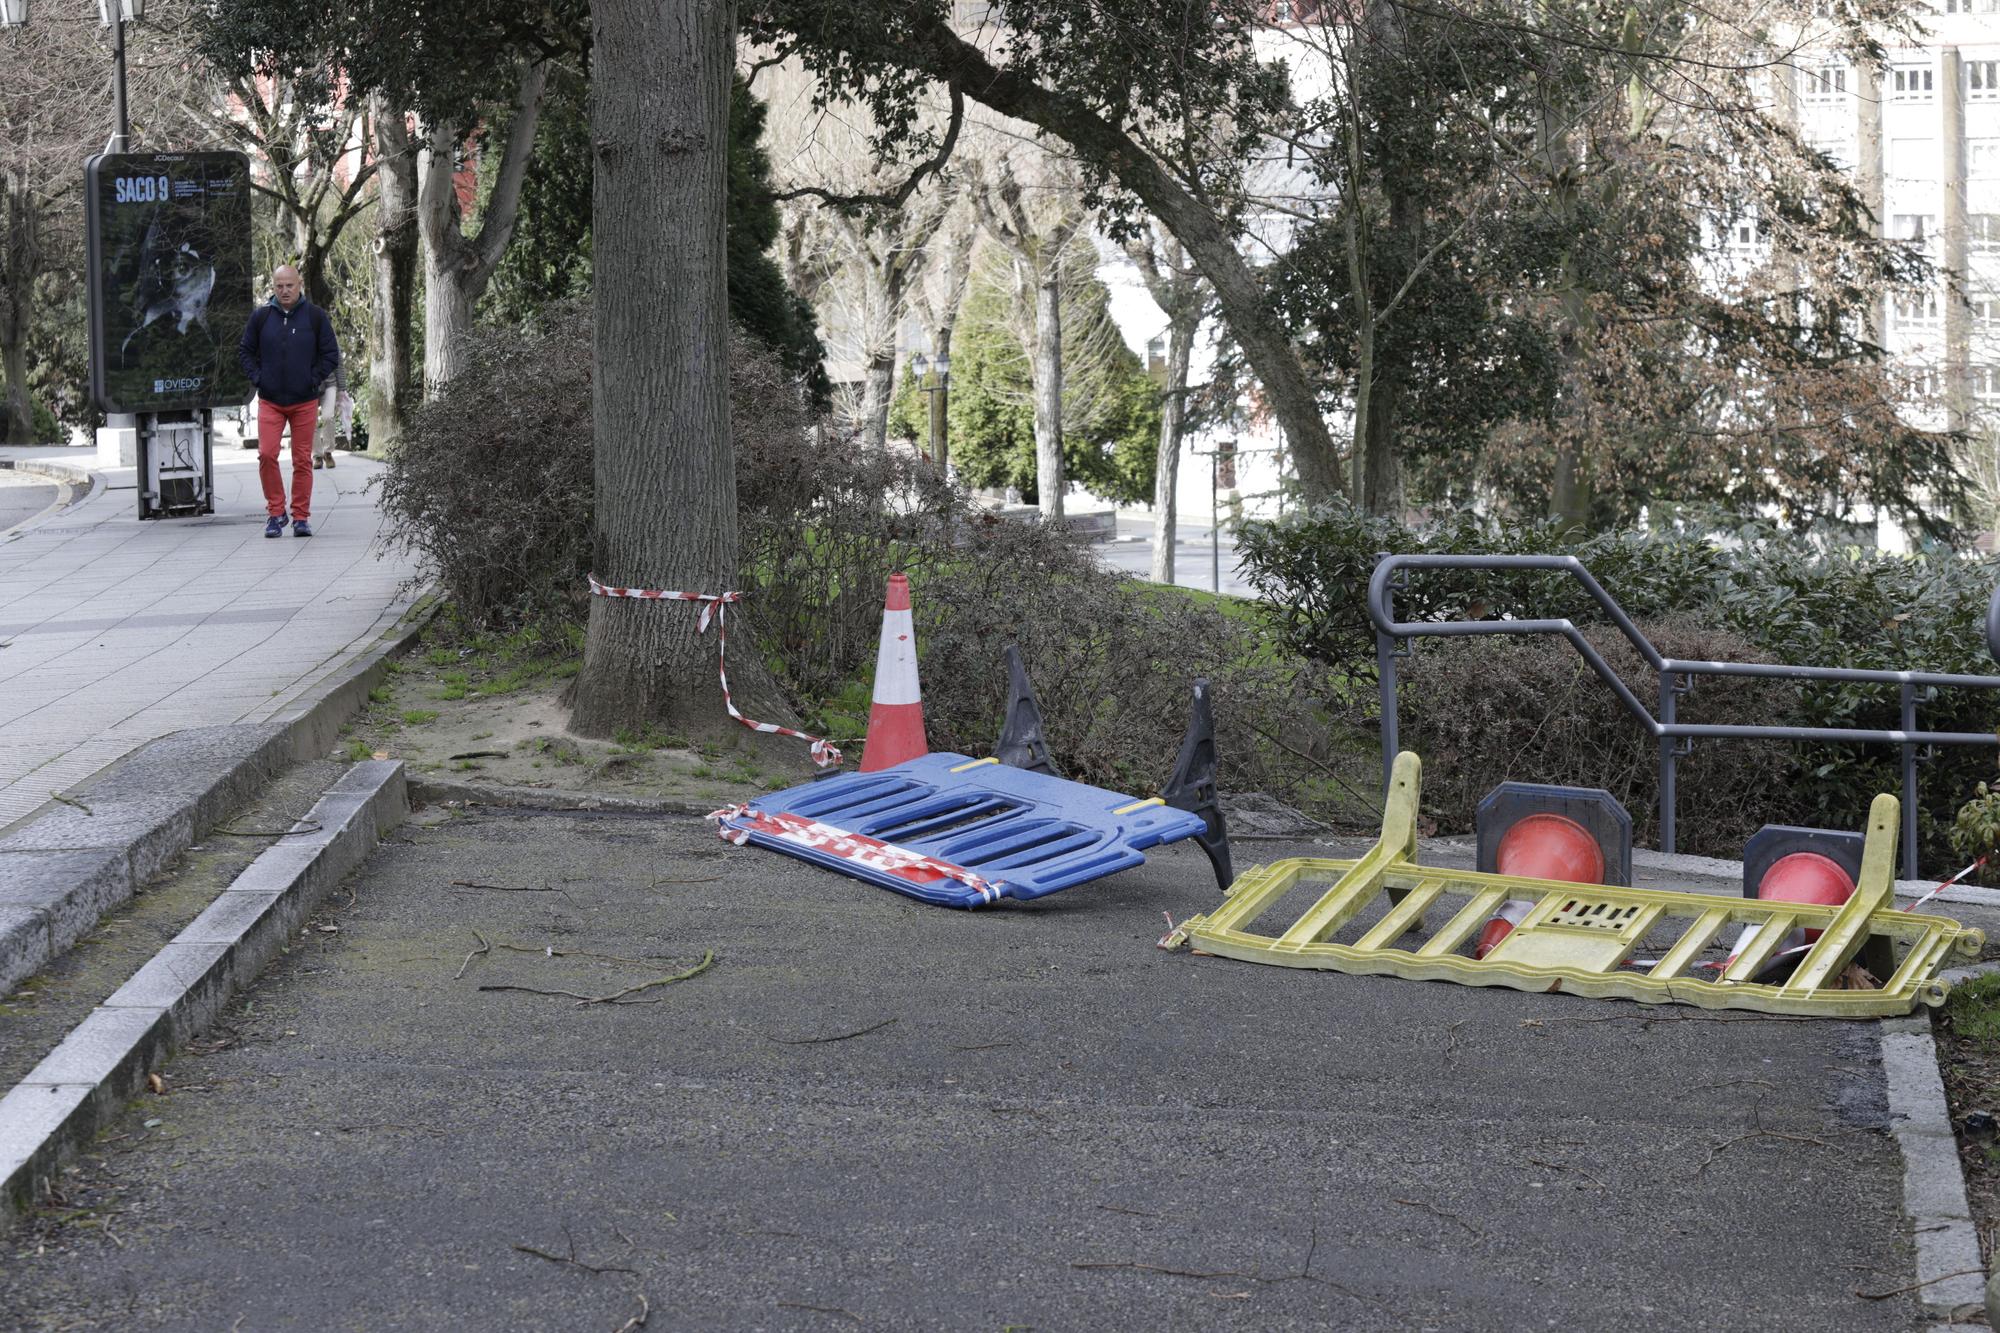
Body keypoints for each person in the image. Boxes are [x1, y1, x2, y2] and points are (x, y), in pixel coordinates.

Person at [237, 265, 338, 537]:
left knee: (302, 460)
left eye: (289, 285)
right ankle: (275, 513)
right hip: (270, 400)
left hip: (304, 400)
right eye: (279, 286)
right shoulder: (261, 317)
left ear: (300, 284)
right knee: (267, 454)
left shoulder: (315, 317)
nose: (284, 290)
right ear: (273, 286)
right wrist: (259, 378)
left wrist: (312, 378)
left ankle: (301, 517)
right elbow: (245, 351)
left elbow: (330, 354)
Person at [314, 361, 353, 469]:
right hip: (310, 382)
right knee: (312, 420)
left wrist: (342, 388)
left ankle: (328, 453)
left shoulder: (333, 343)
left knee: (328, 417)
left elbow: (339, 364)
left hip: (330, 383)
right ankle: (317, 456)